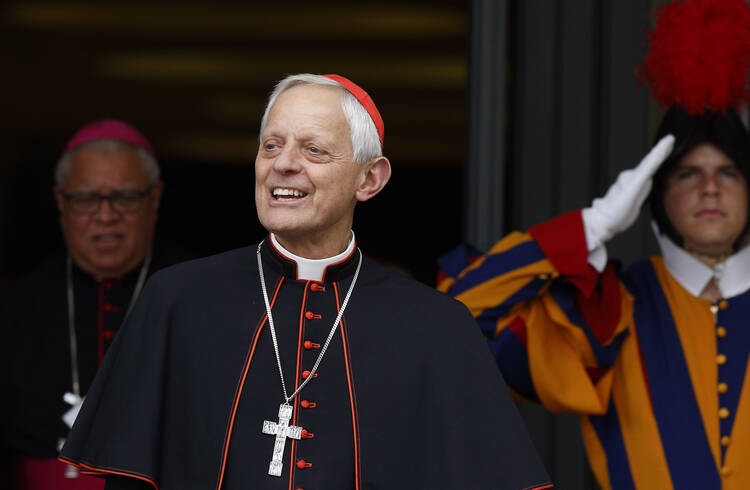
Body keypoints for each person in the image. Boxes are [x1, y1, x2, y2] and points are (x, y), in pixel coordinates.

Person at [59, 74, 552, 490]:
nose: (284, 163)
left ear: (370, 180)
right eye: (271, 145)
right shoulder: (176, 302)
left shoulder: (437, 327)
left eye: (314, 149)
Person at [438, 1, 750, 488]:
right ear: (653, 192)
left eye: (728, 173)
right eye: (688, 173)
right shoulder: (614, 306)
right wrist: (591, 226)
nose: (710, 188)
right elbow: (457, 321)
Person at [1, 120, 192, 490]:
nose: (106, 216)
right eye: (87, 199)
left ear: (154, 198)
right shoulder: (16, 307)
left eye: (126, 197)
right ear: (61, 202)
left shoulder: (196, 296)